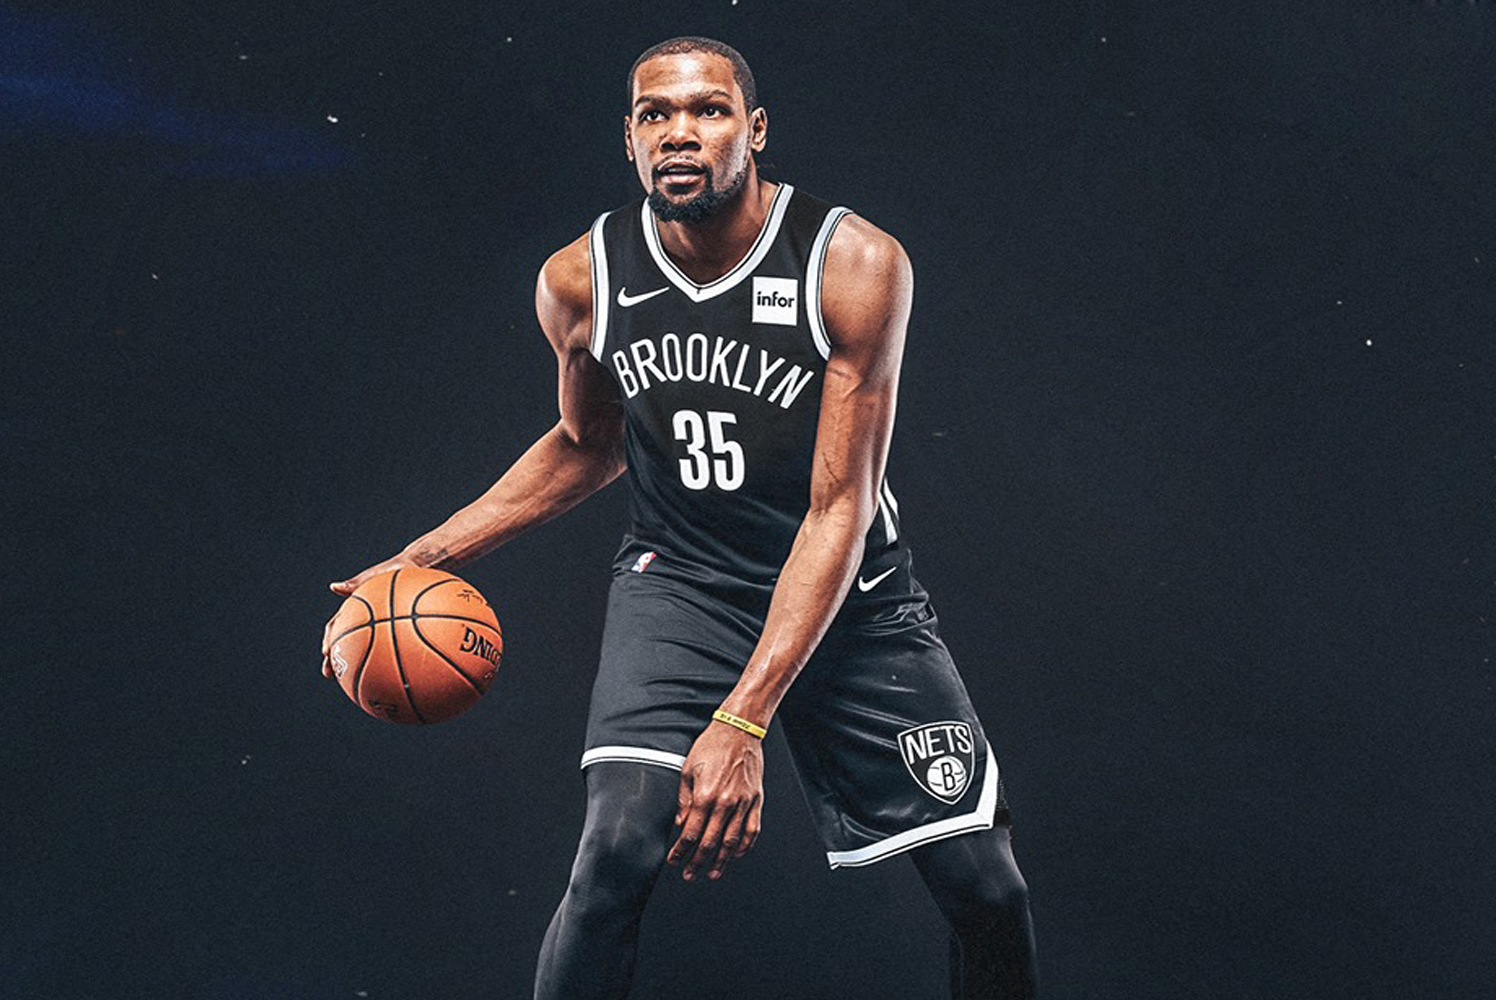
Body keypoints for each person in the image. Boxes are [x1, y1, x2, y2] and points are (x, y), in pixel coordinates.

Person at [322, 36, 1038, 999]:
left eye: (708, 110)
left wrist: (742, 720)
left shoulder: (853, 264)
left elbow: (838, 508)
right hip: (684, 589)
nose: (680, 133)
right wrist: (423, 557)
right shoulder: (582, 280)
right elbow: (589, 442)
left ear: (756, 130)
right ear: (628, 139)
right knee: (615, 851)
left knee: (987, 890)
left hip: (850, 597)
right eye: (655, 114)